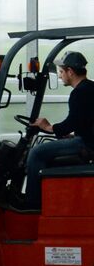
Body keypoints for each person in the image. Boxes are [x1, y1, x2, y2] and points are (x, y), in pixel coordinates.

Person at [23, 50, 92, 210]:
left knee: (36, 153)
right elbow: (86, 121)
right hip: (87, 139)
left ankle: (32, 205)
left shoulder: (79, 93)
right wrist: (72, 134)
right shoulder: (90, 88)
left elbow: (70, 122)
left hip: (87, 144)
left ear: (70, 71)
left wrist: (47, 126)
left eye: (61, 72)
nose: (60, 76)